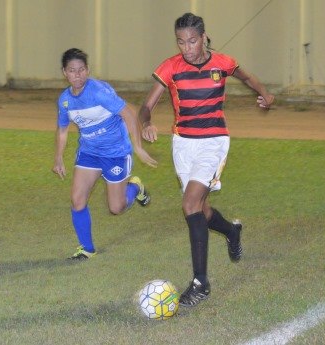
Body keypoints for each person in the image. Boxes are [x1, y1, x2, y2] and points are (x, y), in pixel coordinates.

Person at [138, 13, 274, 307]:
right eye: (180, 42)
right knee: (201, 208)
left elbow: (246, 77)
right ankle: (231, 231)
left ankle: (200, 283)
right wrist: (147, 122)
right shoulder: (170, 67)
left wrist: (264, 94)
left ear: (203, 37)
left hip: (213, 142)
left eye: (191, 41)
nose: (186, 48)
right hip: (183, 144)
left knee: (189, 205)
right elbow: (146, 106)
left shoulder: (222, 63)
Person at [53, 48, 157, 260]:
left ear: (88, 70)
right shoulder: (65, 100)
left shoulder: (98, 92)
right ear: (65, 72)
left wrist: (137, 147)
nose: (77, 75)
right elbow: (63, 130)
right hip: (89, 152)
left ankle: (135, 186)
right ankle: (87, 248)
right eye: (72, 70)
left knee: (116, 208)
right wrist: (58, 157)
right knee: (77, 200)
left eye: (81, 70)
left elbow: (128, 113)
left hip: (116, 153)